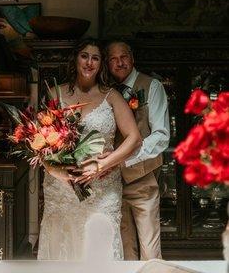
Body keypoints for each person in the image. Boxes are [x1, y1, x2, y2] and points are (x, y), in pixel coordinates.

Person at [37, 38, 141, 261]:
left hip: (102, 188)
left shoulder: (111, 96)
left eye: (95, 58)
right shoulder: (56, 94)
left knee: (99, 246)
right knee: (62, 244)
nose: (89, 62)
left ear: (101, 64)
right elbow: (41, 141)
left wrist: (103, 163)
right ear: (75, 59)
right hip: (61, 187)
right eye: (84, 56)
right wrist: (56, 171)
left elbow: (134, 138)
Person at [106, 41, 170, 261]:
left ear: (132, 58)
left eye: (123, 56)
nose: (119, 62)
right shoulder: (106, 90)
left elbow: (161, 136)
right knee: (125, 248)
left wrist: (128, 159)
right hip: (112, 182)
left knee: (150, 249)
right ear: (108, 63)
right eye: (113, 59)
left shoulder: (152, 86)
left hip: (143, 178)